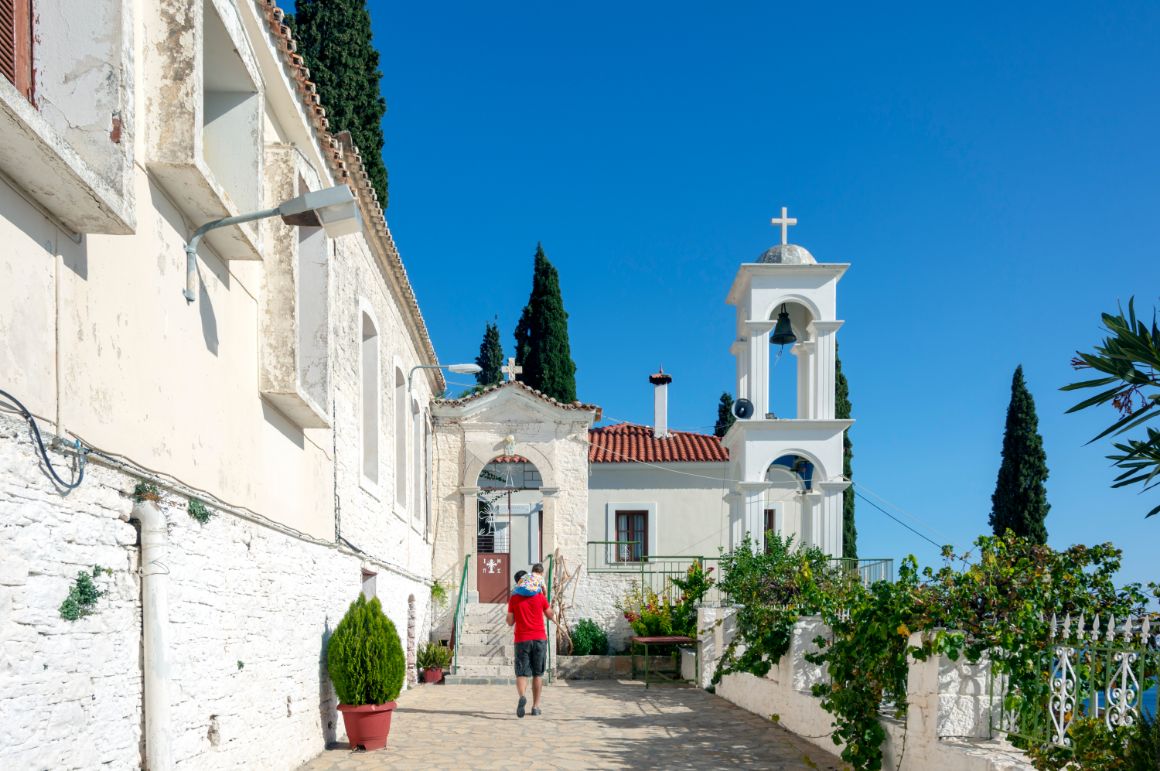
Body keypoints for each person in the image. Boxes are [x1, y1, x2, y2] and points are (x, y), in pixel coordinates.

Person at [506, 562, 555, 717]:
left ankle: (522, 697)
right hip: (539, 638)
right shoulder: (539, 596)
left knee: (521, 673)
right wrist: (548, 602)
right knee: (538, 674)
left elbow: (509, 621)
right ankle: (535, 707)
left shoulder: (514, 598)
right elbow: (550, 615)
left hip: (521, 639)